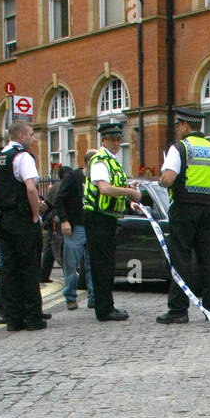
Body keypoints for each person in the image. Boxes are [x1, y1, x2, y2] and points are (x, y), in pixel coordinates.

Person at [157, 107, 210, 324]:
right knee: (207, 259)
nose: (177, 129)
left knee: (181, 258)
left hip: (183, 209)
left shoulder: (180, 148)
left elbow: (168, 178)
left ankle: (179, 309)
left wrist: (161, 180)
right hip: (207, 210)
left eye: (179, 125)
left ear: (186, 126)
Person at [0, 119, 46, 331]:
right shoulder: (22, 156)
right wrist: (35, 214)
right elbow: (31, 189)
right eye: (31, 134)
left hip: (3, 218)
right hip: (22, 218)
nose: (33, 138)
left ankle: (13, 318)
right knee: (29, 267)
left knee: (10, 269)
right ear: (21, 136)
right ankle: (33, 317)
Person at [84, 122, 141, 322]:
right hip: (98, 217)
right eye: (113, 139)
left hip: (107, 217)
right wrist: (129, 192)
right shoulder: (100, 160)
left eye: (119, 139)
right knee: (101, 265)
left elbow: (113, 185)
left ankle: (106, 305)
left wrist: (127, 185)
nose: (117, 143)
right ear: (104, 140)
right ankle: (104, 309)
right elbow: (104, 188)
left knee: (106, 264)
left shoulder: (112, 161)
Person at [55, 153, 90, 310]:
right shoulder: (73, 177)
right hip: (75, 226)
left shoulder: (99, 178)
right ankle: (70, 296)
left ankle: (94, 297)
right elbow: (59, 199)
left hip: (93, 226)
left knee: (92, 265)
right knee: (71, 264)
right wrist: (64, 220)